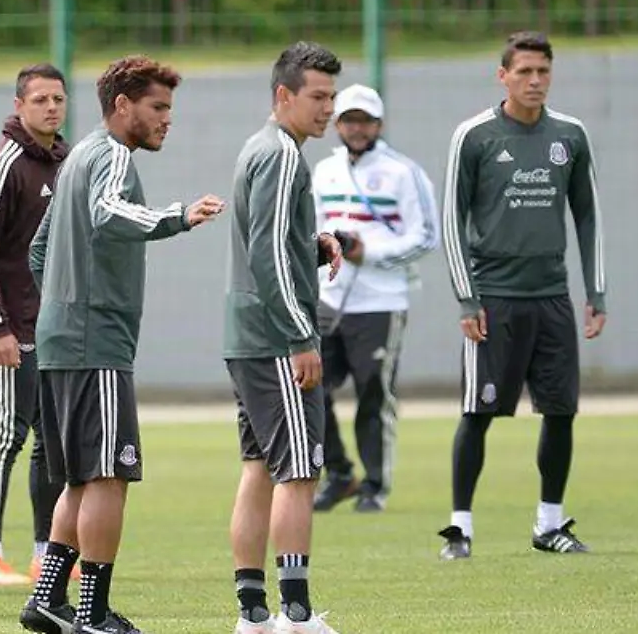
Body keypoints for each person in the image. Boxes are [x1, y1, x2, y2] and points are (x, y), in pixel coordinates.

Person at [18, 55, 225, 634]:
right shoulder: (108, 156)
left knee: (83, 479)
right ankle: (92, 614)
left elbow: (40, 248)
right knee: (110, 475)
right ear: (122, 106)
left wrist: (61, 302)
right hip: (93, 341)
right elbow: (108, 214)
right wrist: (176, 217)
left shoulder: (78, 154)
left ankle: (47, 601)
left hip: (63, 338)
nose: (167, 120)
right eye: (158, 108)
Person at [437, 31, 606, 560]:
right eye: (525, 72)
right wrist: (467, 299)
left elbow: (588, 214)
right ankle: (459, 529)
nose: (535, 81)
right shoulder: (475, 135)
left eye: (543, 72)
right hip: (494, 300)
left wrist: (596, 291)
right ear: (503, 75)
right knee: (477, 414)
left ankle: (549, 525)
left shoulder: (571, 136)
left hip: (551, 297)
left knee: (561, 412)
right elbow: (451, 221)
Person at [223, 41, 346, 634]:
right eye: (318, 97)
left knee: (259, 468)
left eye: (332, 97)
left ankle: (252, 614)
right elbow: (266, 251)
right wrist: (302, 334)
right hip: (276, 338)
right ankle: (295, 615)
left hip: (249, 334)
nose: (328, 109)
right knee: (299, 472)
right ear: (283, 96)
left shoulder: (264, 149)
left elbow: (275, 241)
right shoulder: (280, 155)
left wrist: (312, 244)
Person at [0, 64, 76, 587]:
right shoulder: (4, 164)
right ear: (18, 105)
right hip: (12, 329)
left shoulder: (67, 161)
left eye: (58, 98)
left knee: (50, 443)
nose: (52, 108)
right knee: (7, 433)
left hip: (54, 331)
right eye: (40, 100)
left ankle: (42, 555)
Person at [310, 84, 440, 514]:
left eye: (365, 120)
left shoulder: (404, 172)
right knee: (310, 386)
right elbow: (310, 227)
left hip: (381, 301)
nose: (356, 128)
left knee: (373, 392)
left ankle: (375, 485)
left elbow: (425, 236)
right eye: (348, 119)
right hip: (329, 297)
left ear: (379, 124)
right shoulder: (324, 171)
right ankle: (339, 473)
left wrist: (370, 252)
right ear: (337, 124)